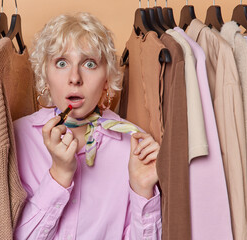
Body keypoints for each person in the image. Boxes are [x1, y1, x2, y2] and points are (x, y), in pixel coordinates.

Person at [14, 12, 162, 239]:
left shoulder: (134, 146)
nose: (75, 77)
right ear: (45, 76)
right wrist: (59, 175)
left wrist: (143, 190)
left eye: (89, 63)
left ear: (106, 81)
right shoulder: (15, 139)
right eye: (61, 63)